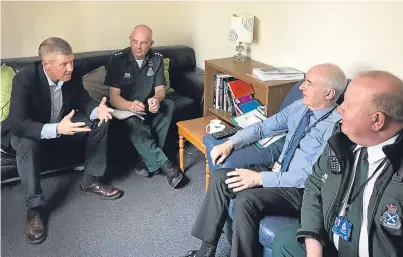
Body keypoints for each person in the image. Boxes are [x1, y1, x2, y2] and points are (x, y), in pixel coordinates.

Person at [182, 63, 347, 257]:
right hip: (277, 173)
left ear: (328, 94)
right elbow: (263, 128)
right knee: (220, 178)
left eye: (309, 83)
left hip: (301, 190)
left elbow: (309, 176)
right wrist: (230, 143)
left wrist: (259, 179)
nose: (301, 87)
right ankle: (206, 251)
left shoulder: (335, 128)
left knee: (246, 200)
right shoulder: (300, 107)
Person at [0, 37, 122, 244]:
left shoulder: (71, 76)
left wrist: (97, 110)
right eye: (64, 64)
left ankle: (90, 180)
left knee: (101, 121)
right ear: (46, 64)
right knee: (27, 143)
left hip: (61, 128)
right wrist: (56, 129)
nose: (70, 68)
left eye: (72, 62)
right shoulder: (25, 79)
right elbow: (18, 124)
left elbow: (84, 102)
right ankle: (34, 209)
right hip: (30, 133)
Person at [272, 70, 403, 257]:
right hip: (331, 245)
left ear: (377, 121)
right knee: (285, 241)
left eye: (348, 105)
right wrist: (313, 244)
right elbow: (314, 185)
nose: (340, 108)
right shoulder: (340, 140)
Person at [104, 24, 183, 188]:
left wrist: (156, 99)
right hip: (125, 109)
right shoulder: (117, 60)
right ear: (130, 39)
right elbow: (114, 98)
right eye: (134, 41)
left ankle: (145, 158)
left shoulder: (157, 59)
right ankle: (166, 165)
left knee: (168, 105)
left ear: (151, 43)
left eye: (143, 43)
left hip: (146, 106)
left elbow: (160, 90)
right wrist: (130, 106)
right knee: (133, 122)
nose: (138, 47)